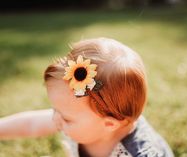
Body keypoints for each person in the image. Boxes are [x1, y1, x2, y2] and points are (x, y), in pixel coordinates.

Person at [0, 37, 174, 157]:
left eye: (66, 119)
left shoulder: (138, 153)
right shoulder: (80, 118)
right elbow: (31, 125)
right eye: (55, 110)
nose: (55, 119)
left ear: (109, 124)